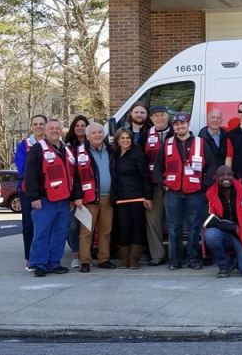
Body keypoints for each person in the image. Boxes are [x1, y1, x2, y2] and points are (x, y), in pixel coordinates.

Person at [153, 112, 216, 270]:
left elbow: (211, 167)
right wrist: (163, 184)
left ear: (188, 124)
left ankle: (193, 259)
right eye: (176, 124)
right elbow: (157, 168)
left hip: (195, 192)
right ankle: (175, 260)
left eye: (183, 124)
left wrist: (204, 185)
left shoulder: (201, 143)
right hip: (172, 192)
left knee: (194, 226)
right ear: (173, 127)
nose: (180, 127)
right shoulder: (167, 144)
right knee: (174, 227)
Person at [24, 119, 78, 277]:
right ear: (46, 132)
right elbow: (30, 174)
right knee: (42, 233)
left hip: (64, 200)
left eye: (57, 128)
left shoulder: (66, 150)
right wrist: (34, 197)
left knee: (60, 233)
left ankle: (54, 262)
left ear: (61, 131)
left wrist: (74, 198)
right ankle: (39, 264)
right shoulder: (37, 149)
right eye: (51, 128)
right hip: (44, 200)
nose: (55, 131)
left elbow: (73, 176)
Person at [74, 122, 117, 272]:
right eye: (94, 133)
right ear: (87, 136)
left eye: (100, 132)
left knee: (106, 231)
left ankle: (103, 259)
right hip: (88, 198)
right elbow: (75, 177)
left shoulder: (111, 151)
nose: (98, 135)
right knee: (86, 232)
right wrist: (77, 196)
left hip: (108, 198)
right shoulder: (79, 152)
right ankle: (85, 261)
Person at [111, 128, 153, 269]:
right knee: (123, 228)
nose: (125, 140)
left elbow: (145, 176)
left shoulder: (138, 154)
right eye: (122, 138)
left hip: (137, 197)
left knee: (137, 228)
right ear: (117, 140)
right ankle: (124, 258)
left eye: (128, 138)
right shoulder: (114, 155)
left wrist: (148, 197)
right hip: (120, 198)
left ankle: (134, 259)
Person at [14, 114, 46, 272]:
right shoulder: (23, 145)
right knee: (29, 225)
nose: (39, 126)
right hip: (28, 191)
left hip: (48, 191)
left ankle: (44, 256)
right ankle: (30, 257)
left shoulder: (52, 144)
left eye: (41, 124)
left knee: (46, 225)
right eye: (36, 124)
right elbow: (23, 168)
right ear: (31, 126)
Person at [143, 104, 173, 266]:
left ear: (167, 116)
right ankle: (157, 255)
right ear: (151, 119)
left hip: (173, 186)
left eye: (162, 115)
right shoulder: (146, 135)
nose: (160, 118)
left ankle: (175, 255)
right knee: (152, 221)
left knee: (174, 221)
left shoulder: (177, 132)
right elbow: (141, 163)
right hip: (153, 186)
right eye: (156, 116)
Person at [64, 115, 89, 270]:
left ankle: (87, 254)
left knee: (87, 224)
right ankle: (75, 255)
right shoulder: (67, 147)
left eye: (83, 125)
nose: (80, 127)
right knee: (72, 225)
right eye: (77, 125)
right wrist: (73, 196)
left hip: (90, 192)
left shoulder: (93, 144)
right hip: (73, 193)